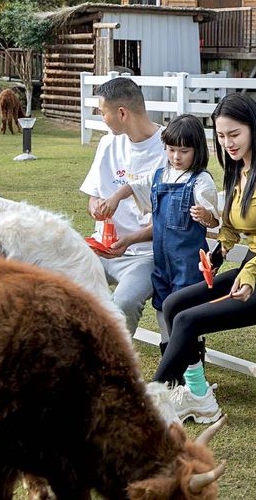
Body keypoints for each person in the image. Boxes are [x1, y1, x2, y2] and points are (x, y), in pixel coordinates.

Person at [152, 93, 256, 425]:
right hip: (251, 272)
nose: (228, 143)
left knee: (188, 321)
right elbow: (232, 230)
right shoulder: (237, 169)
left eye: (234, 134)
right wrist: (216, 256)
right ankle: (196, 394)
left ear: (254, 128)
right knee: (173, 305)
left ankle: (152, 401)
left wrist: (251, 269)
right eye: (221, 136)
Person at [97, 114, 219, 346]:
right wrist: (115, 197)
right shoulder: (160, 175)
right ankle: (171, 362)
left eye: (183, 151)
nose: (176, 156)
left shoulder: (201, 182)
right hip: (163, 263)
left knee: (185, 314)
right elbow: (133, 186)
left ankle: (193, 367)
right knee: (164, 310)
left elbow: (214, 221)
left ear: (197, 149)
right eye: (171, 149)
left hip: (188, 264)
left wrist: (205, 216)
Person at [80, 77, 165, 335]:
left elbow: (168, 220)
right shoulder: (108, 143)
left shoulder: (169, 149)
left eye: (102, 112)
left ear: (121, 113)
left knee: (124, 303)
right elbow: (93, 196)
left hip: (143, 255)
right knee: (58, 284)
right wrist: (96, 207)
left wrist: (128, 240)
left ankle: (111, 363)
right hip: (101, 249)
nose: (102, 118)